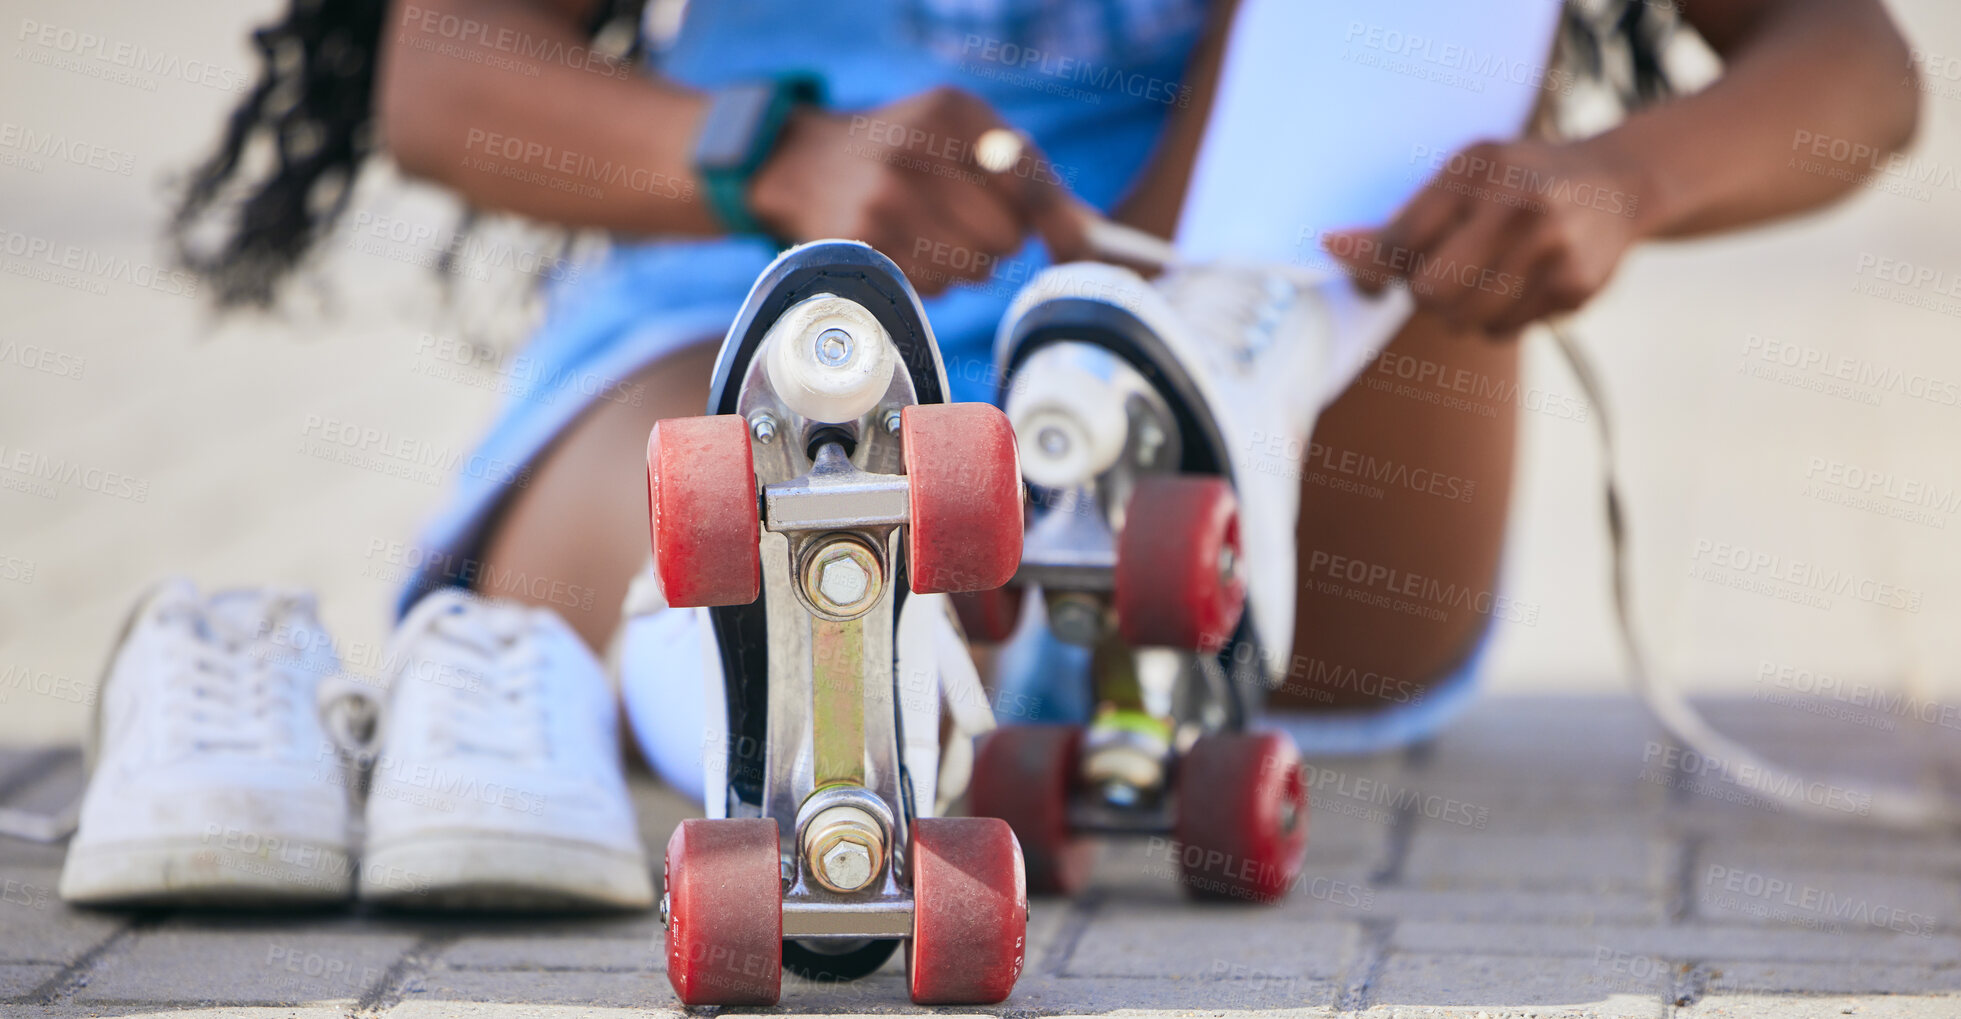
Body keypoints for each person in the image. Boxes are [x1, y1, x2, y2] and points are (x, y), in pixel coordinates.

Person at [61, 0, 1919, 907]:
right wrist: (770, 157)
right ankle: (840, 702)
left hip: (1293, 308)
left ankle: (1161, 424)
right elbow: (438, 76)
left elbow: (1857, 65)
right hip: (775, 283)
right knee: (728, 457)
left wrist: (1618, 180)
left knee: (1377, 110)